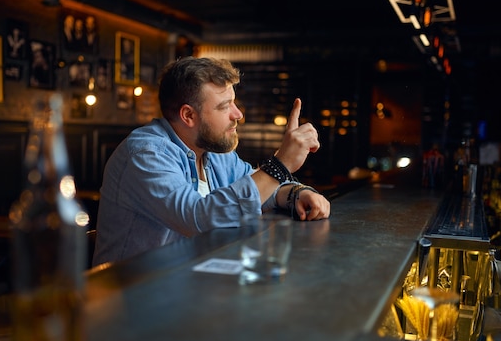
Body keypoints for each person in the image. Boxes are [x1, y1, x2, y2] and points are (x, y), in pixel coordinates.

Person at [92, 57, 330, 265]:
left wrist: (296, 193)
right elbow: (197, 217)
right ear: (188, 115)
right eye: (225, 106)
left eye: (234, 103)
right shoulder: (145, 154)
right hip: (133, 299)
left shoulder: (214, 152)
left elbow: (257, 189)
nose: (238, 115)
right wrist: (280, 164)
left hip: (189, 286)